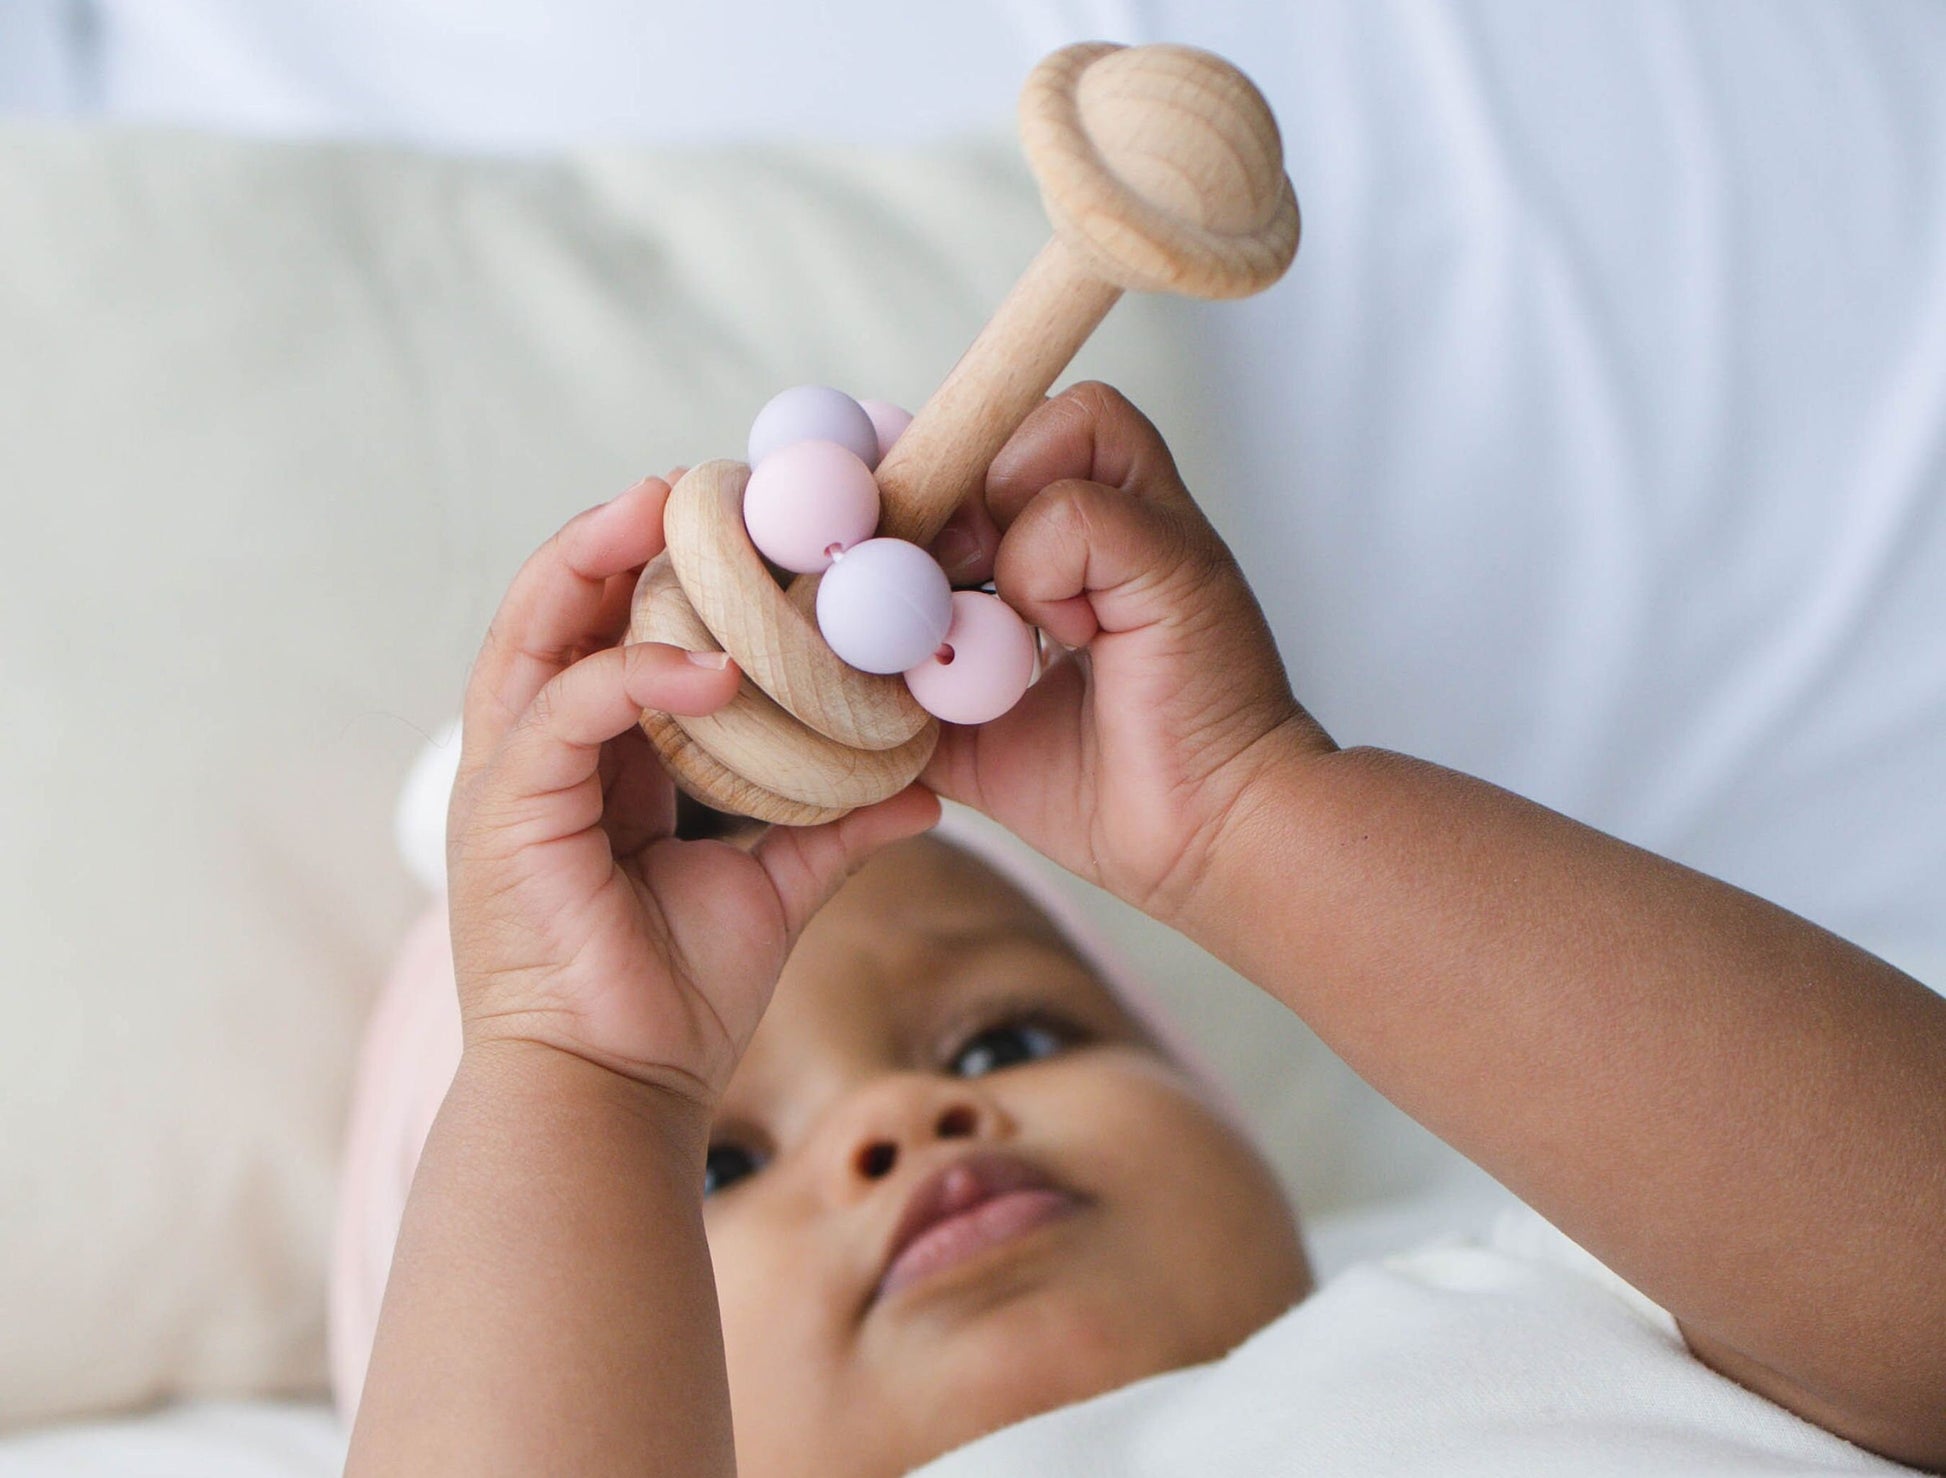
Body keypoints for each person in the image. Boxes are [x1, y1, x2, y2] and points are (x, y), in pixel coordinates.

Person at [341, 383, 1946, 1475]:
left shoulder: (1560, 1294)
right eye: (718, 1163)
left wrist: (1251, 819)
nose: (911, 1122)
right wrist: (580, 1073)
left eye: (1014, 1036)